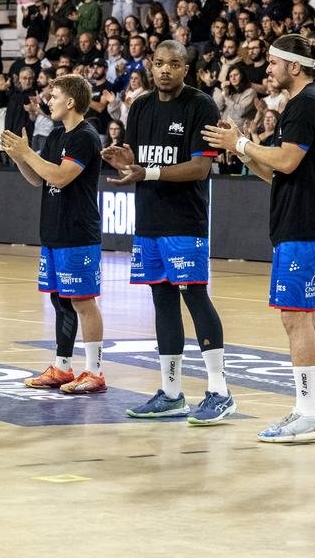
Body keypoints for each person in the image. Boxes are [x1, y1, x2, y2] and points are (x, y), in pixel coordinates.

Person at [202, 34, 315, 443]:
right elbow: (278, 173)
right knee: (303, 315)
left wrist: (244, 142)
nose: (266, 70)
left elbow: (286, 159)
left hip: (307, 225)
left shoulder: (305, 103)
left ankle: (305, 412)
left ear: (294, 67)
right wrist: (245, 153)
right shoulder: (307, 102)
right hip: (304, 223)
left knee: (294, 316)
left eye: (272, 63)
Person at [101, 40, 235, 423]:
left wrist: (148, 171)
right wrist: (128, 162)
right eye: (159, 63)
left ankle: (220, 392)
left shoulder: (200, 106)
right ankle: (172, 393)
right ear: (150, 65)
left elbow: (199, 168)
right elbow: (138, 160)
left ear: (185, 69)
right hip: (148, 220)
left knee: (195, 298)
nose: (164, 70)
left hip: (185, 221)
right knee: (161, 302)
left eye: (173, 64)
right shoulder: (140, 106)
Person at [2, 75, 107, 395]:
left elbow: (61, 177)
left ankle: (95, 371)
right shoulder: (56, 134)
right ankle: (63, 366)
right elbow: (39, 179)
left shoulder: (85, 137)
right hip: (53, 230)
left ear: (71, 102)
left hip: (78, 232)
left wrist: (28, 152)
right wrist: (20, 156)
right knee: (60, 300)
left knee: (83, 301)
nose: (49, 100)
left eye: (55, 95)